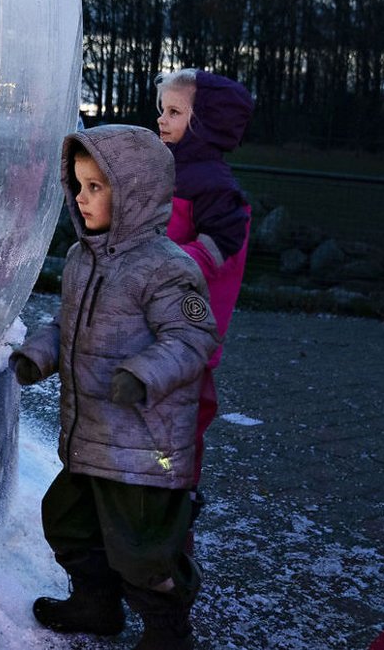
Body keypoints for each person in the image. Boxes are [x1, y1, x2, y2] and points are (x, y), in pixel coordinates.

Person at [10, 124, 219, 649]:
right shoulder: (84, 259)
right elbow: (70, 327)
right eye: (77, 186)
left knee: (142, 551)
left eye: (96, 187)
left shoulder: (168, 269)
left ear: (135, 192)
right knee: (69, 523)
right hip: (90, 438)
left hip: (144, 448)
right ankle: (95, 605)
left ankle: (169, 629)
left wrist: (142, 373)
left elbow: (194, 336)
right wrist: (40, 353)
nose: (80, 199)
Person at [155, 69, 253, 491]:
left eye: (174, 112)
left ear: (205, 124)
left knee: (181, 420)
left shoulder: (213, 186)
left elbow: (223, 240)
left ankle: (175, 503)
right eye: (162, 109)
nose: (161, 119)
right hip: (161, 324)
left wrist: (168, 263)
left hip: (189, 329)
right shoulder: (171, 170)